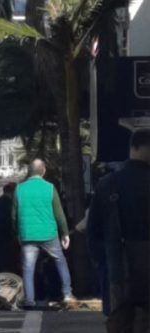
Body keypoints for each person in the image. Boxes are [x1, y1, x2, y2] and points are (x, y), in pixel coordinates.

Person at [87, 128, 150, 333]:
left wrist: (104, 261)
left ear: (133, 148)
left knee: (122, 322)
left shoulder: (108, 184)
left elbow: (93, 230)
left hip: (119, 268)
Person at [12, 159, 74, 308]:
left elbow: (13, 216)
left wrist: (18, 234)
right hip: (49, 234)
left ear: (29, 172)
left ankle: (29, 300)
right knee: (60, 261)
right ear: (43, 171)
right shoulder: (49, 188)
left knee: (28, 268)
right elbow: (59, 214)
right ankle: (67, 294)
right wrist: (65, 233)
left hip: (28, 234)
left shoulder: (19, 189)